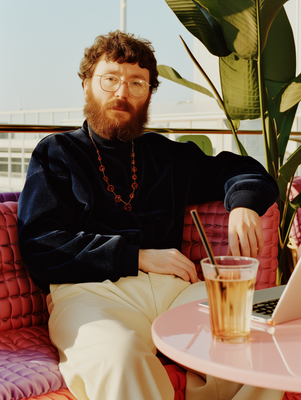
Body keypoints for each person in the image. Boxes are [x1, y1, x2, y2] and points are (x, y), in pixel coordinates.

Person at [17, 30, 282, 400]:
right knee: (119, 356)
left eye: (136, 83)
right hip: (90, 293)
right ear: (86, 84)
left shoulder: (165, 155)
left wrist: (243, 203)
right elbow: (40, 244)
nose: (121, 92)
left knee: (253, 336)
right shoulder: (57, 153)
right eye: (110, 79)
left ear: (149, 93)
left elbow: (242, 169)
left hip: (176, 291)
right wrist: (137, 256)